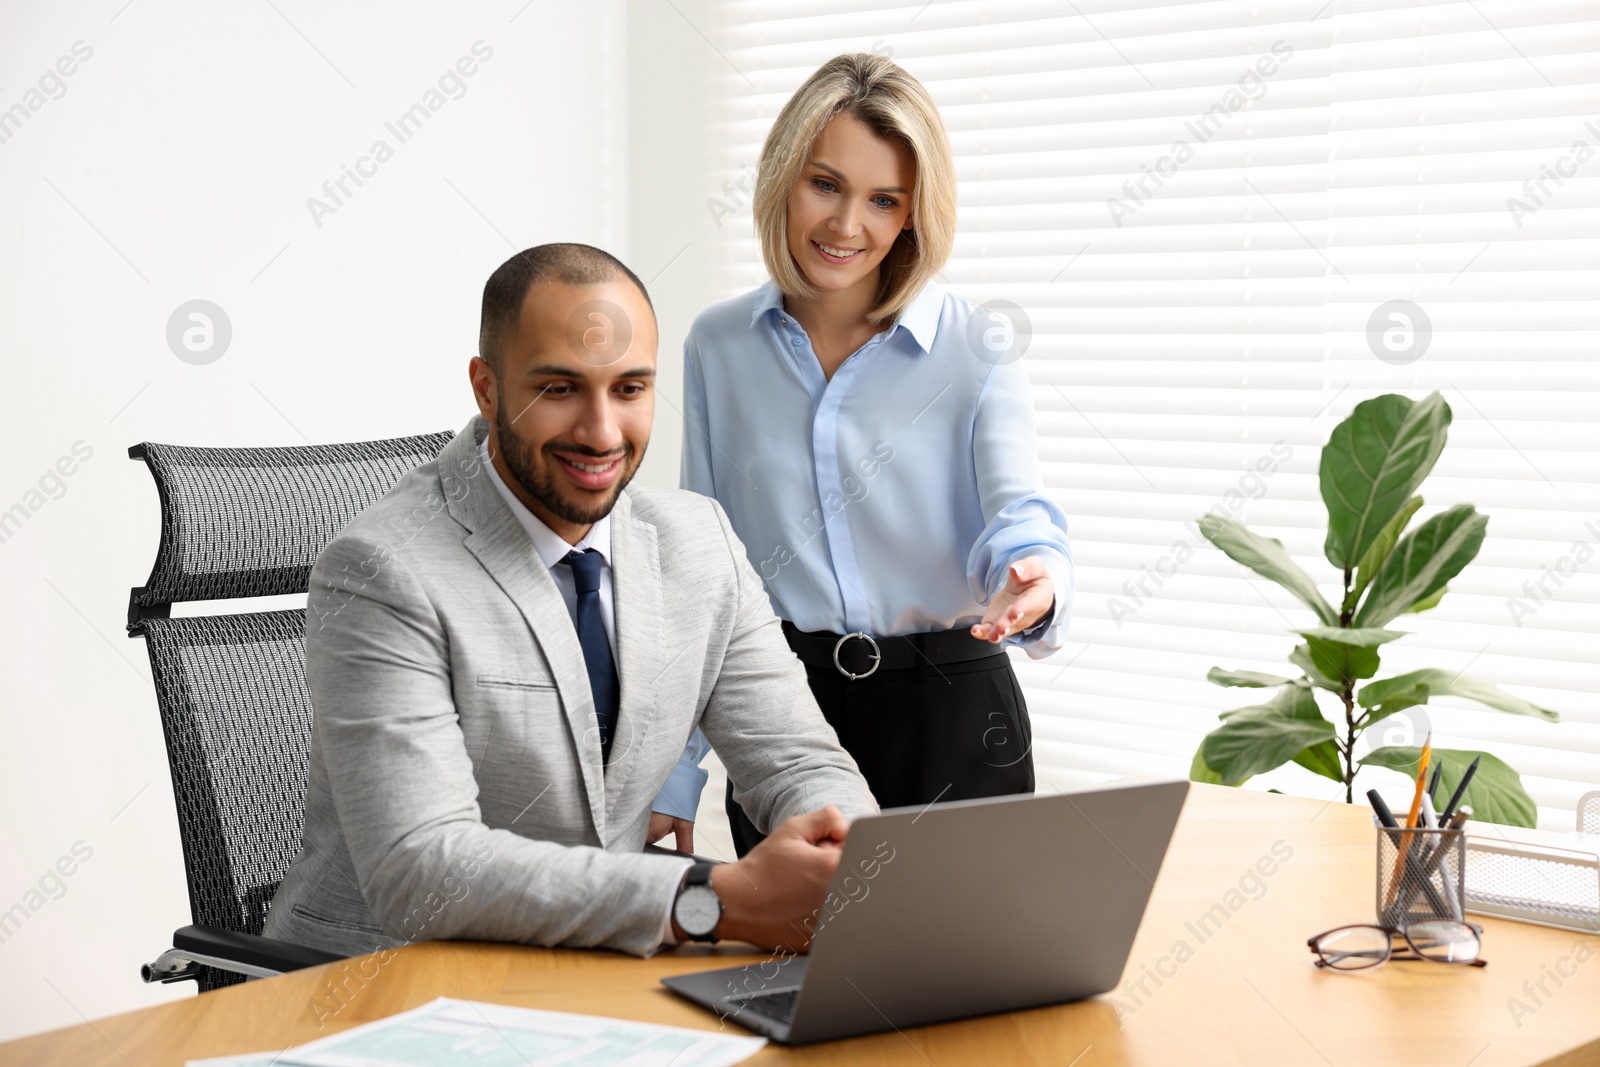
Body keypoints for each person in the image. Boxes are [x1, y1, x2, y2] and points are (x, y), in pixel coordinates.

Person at [263, 243, 877, 960]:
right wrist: (718, 901)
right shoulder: (382, 569)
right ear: (487, 388)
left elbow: (799, 761)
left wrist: (841, 858)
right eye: (559, 388)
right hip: (385, 993)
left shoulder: (698, 544)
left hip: (595, 976)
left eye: (629, 388)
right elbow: (419, 866)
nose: (601, 432)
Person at [678, 53, 1073, 855]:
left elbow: (1017, 513)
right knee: (788, 978)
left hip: (955, 718)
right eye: (825, 184)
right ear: (782, 177)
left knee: (969, 976)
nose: (845, 225)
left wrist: (1036, 571)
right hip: (784, 723)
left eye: (883, 200)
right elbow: (703, 580)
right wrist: (677, 769)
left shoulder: (974, 344)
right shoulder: (718, 346)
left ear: (912, 215)